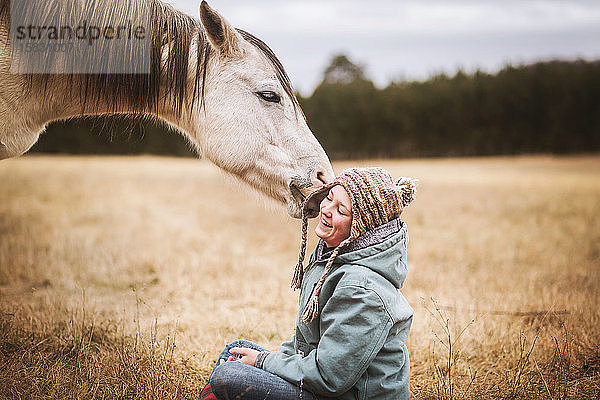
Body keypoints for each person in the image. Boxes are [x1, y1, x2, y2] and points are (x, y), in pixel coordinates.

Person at [201, 167, 417, 400]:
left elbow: (329, 377)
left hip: (341, 392)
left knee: (229, 376)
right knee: (235, 349)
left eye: (340, 210)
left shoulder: (362, 291)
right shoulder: (333, 258)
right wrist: (267, 362)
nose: (326, 209)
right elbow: (306, 344)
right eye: (329, 198)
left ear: (360, 229)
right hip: (321, 379)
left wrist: (264, 362)